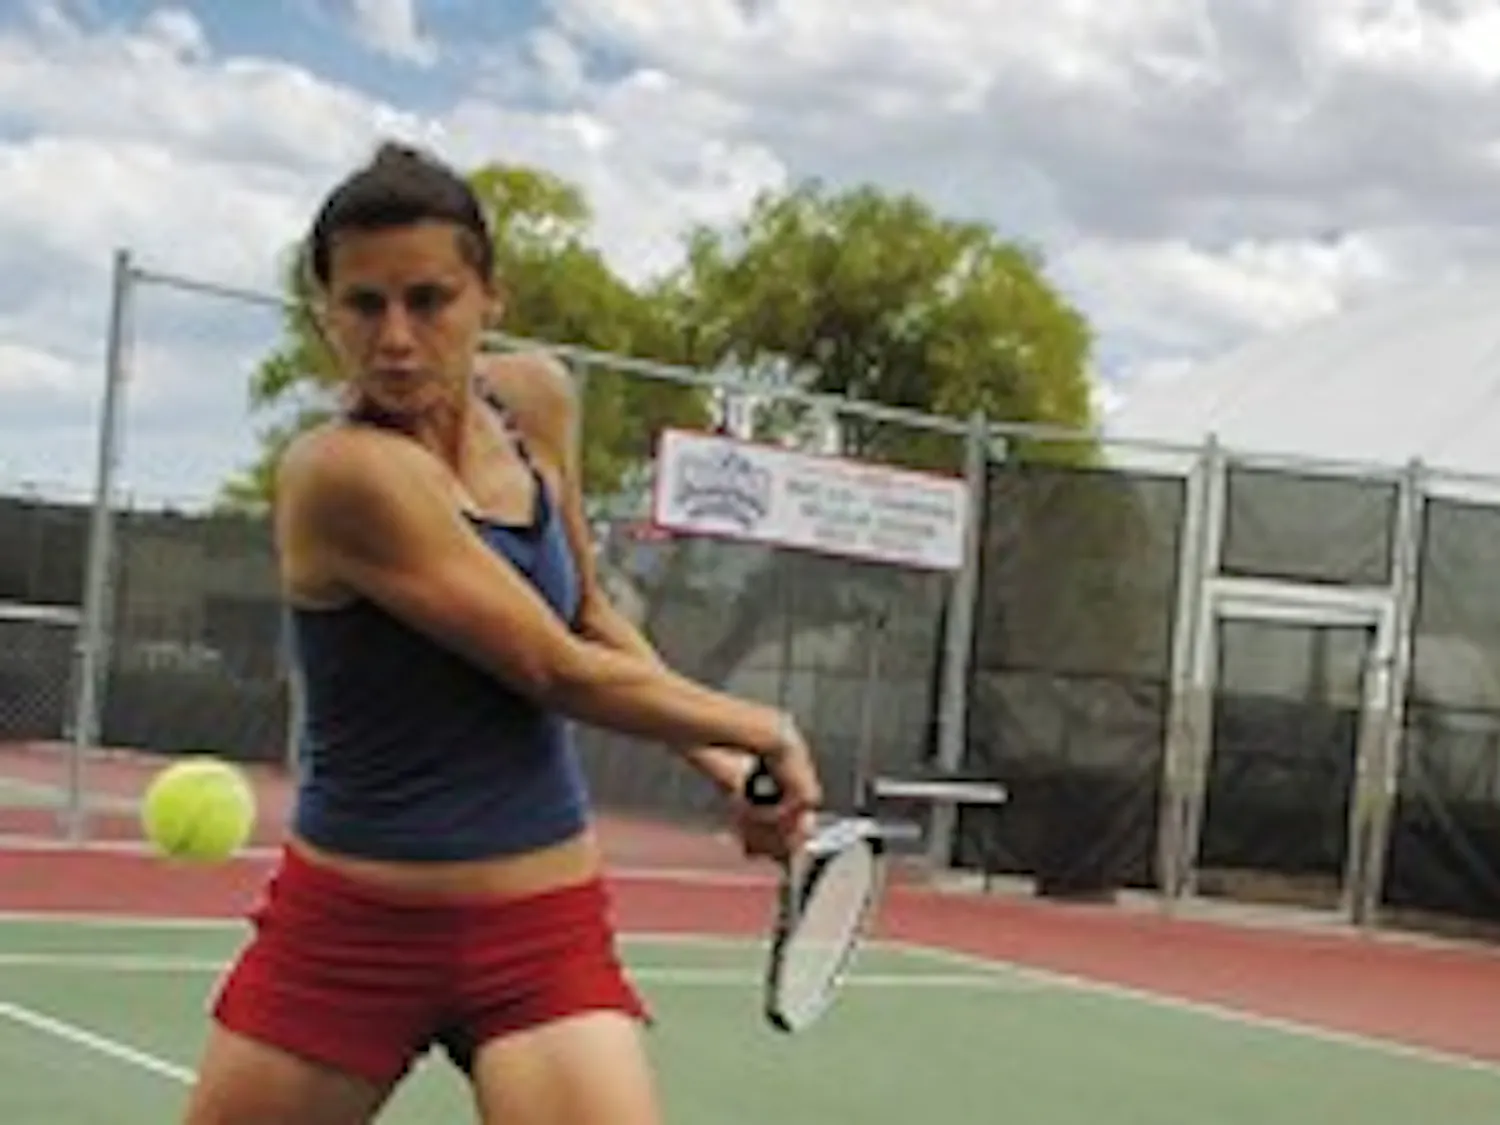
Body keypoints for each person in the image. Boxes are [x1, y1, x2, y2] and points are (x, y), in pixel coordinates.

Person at [181, 140, 823, 1125]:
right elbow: (549, 666)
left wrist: (722, 768)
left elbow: (590, 616)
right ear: (326, 318)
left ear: (490, 297)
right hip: (351, 931)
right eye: (363, 305)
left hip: (540, 931)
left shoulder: (536, 402)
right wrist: (761, 730)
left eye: (429, 300)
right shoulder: (340, 474)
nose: (396, 337)